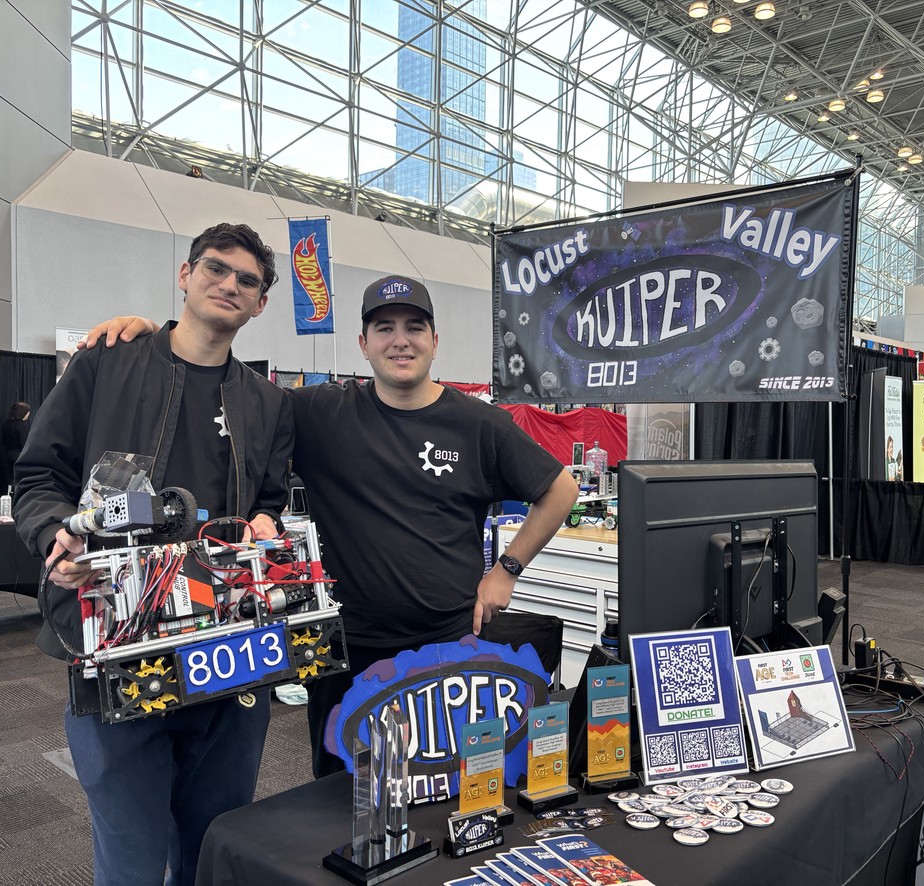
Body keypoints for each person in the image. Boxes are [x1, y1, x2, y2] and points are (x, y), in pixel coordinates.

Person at [81, 274, 580, 779]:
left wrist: (508, 570)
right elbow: (226, 393)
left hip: (447, 643)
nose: (400, 340)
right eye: (384, 328)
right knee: (342, 802)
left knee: (446, 790)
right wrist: (156, 338)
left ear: (435, 340)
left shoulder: (478, 423)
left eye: (414, 327)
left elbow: (560, 490)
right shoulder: (320, 413)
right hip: (346, 647)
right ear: (363, 345)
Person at [13, 222, 294, 886]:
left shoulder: (269, 404)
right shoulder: (108, 361)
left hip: (226, 652)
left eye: (247, 280)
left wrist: (264, 521)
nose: (228, 283)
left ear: (260, 304)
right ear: (185, 275)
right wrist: (57, 532)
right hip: (117, 643)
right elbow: (37, 477)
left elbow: (274, 499)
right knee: (130, 852)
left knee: (214, 844)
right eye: (215, 268)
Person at [1, 401, 31, 490]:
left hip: (8, 454)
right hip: (20, 455)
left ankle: (10, 495)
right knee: (22, 478)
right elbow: (24, 443)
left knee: (11, 480)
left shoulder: (6, 424)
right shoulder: (22, 425)